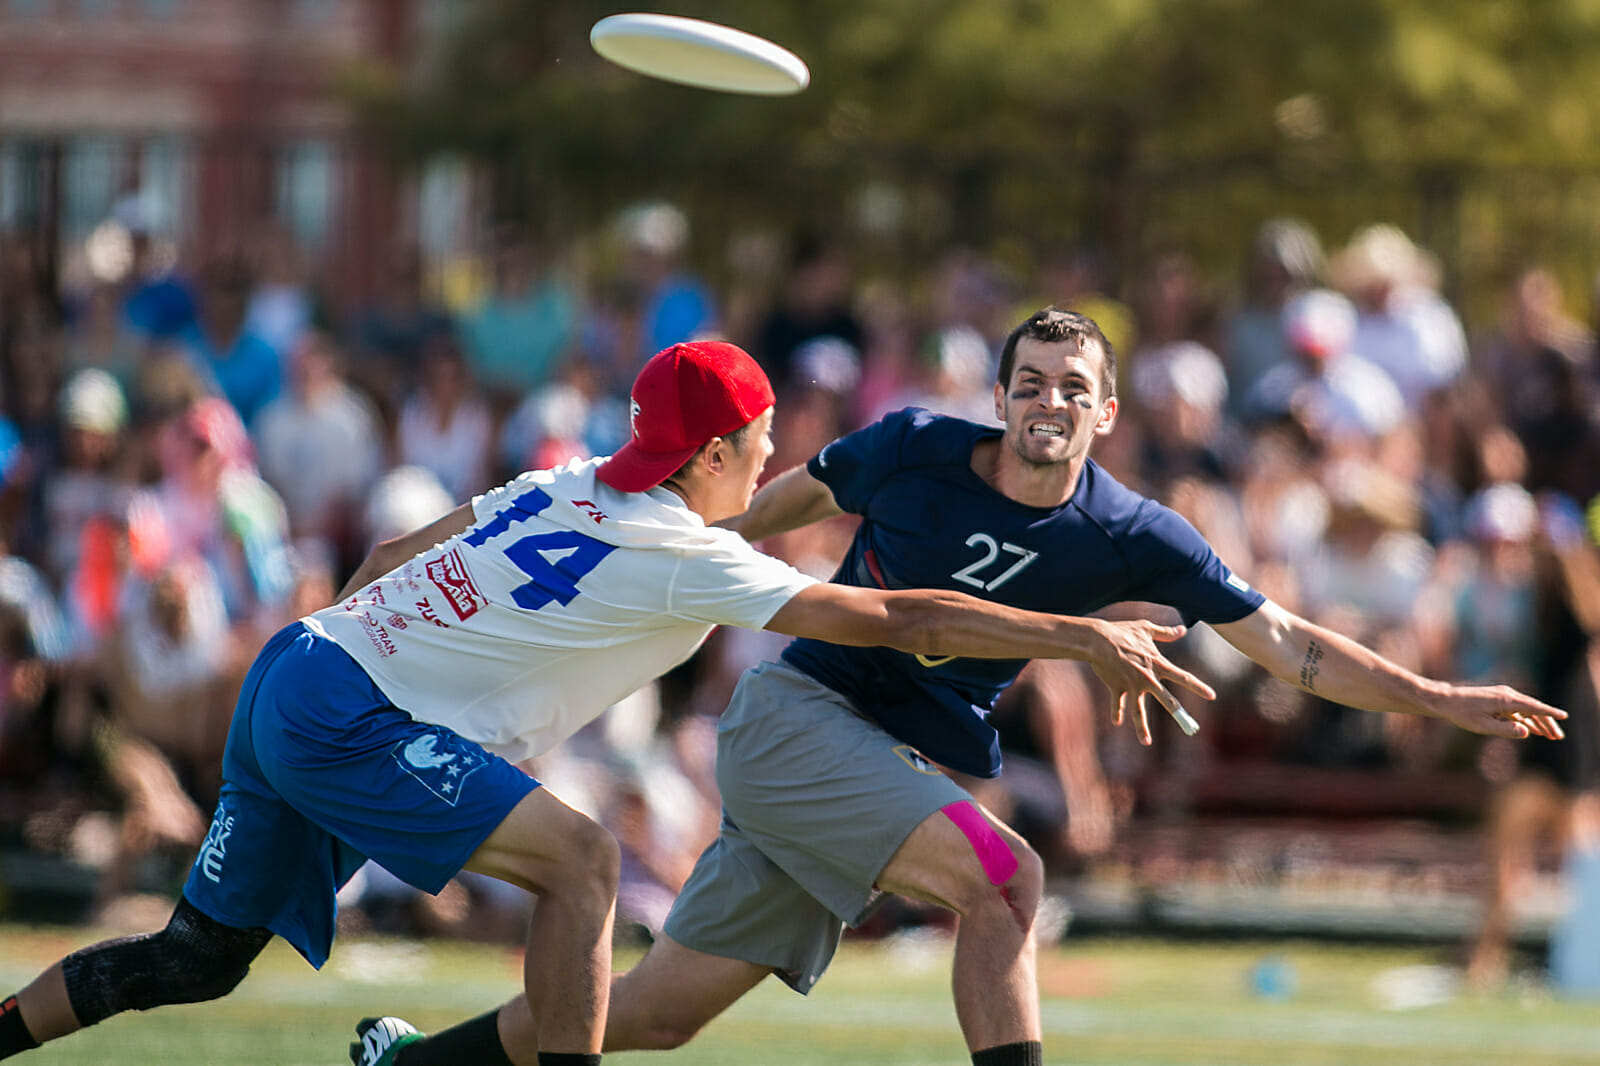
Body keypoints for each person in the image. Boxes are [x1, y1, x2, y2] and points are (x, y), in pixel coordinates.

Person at [0, 339, 1214, 1066]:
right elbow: (905, 619)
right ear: (705, 456)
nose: (771, 457)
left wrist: (377, 670)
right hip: (341, 713)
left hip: (297, 665)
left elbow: (389, 558)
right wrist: (1073, 631)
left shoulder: (568, 477)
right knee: (582, 860)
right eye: (759, 437)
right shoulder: (692, 551)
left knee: (197, 959)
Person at [422, 307, 1568, 1066]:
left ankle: (412, 1057)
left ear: (1105, 412)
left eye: (1074, 387)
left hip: (882, 769)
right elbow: (733, 525)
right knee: (1004, 878)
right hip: (796, 723)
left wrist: (1436, 696)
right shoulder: (912, 445)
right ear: (1003, 394)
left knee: (657, 1016)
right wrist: (597, 579)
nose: (1049, 401)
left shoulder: (1133, 531)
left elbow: (1287, 646)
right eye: (1031, 382)